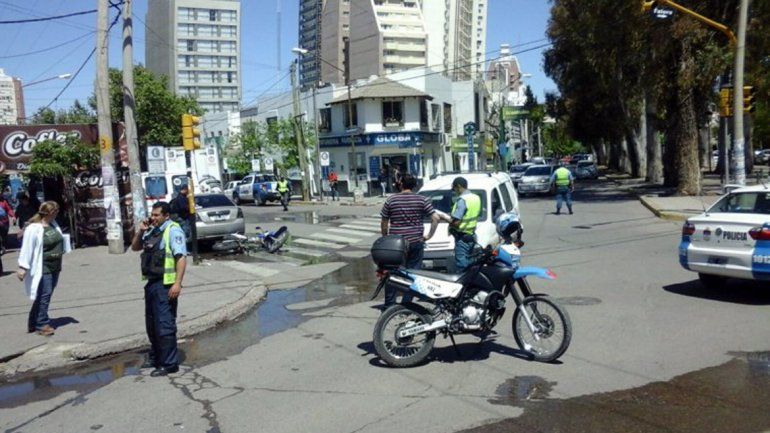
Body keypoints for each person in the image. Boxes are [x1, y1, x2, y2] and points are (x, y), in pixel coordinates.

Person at [131, 201, 187, 377]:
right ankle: (156, 357)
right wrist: (141, 230)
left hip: (166, 285)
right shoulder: (153, 230)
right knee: (152, 325)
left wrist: (177, 283)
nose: (152, 218)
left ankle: (169, 363)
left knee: (164, 325)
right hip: (152, 283)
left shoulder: (173, 230)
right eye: (152, 215)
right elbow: (135, 247)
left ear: (166, 215)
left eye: (156, 215)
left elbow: (181, 257)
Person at [380, 174, 440, 307]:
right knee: (413, 274)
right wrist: (429, 235)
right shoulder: (422, 200)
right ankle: (406, 304)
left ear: (401, 184)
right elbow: (435, 218)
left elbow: (384, 221)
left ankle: (389, 305)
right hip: (416, 241)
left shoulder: (391, 200)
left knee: (393, 273)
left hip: (396, 245)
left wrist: (385, 238)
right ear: (414, 186)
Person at [17, 201, 70, 336]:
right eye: (55, 212)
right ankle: (42, 324)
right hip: (42, 266)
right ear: (50, 213)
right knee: (45, 295)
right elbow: (27, 248)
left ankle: (33, 321)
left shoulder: (53, 224)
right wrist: (23, 267)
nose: (57, 214)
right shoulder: (34, 228)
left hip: (55, 265)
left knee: (44, 294)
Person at [444, 177, 481, 273]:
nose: (454, 191)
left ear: (459, 187)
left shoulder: (462, 200)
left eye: (454, 189)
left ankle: (465, 285)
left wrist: (445, 218)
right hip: (472, 235)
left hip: (462, 237)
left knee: (462, 265)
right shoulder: (476, 198)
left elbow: (456, 223)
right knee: (471, 262)